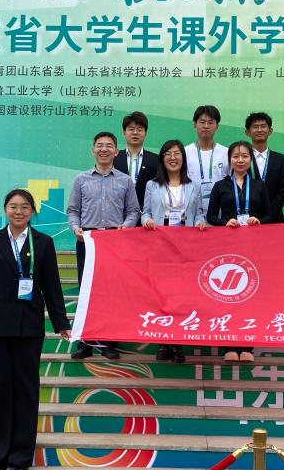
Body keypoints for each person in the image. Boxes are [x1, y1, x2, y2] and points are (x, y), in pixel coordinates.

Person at [0, 189, 71, 470]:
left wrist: (61, 322)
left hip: (28, 325)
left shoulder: (43, 242)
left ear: (32, 211)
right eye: (13, 206)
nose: (18, 211)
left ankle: (20, 458)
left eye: (25, 207)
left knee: (26, 391)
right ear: (5, 210)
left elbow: (52, 285)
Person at [67, 131, 141, 360]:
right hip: (87, 240)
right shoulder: (81, 179)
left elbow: (134, 211)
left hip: (113, 242)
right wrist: (76, 229)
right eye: (99, 145)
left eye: (109, 145)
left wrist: (125, 227)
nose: (104, 149)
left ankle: (109, 342)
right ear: (93, 150)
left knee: (112, 291)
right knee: (87, 291)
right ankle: (85, 343)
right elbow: (73, 211)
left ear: (116, 152)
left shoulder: (125, 180)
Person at [141, 139, 207, 363]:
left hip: (185, 247)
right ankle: (163, 341)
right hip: (160, 245)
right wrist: (147, 220)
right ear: (162, 159)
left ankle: (177, 343)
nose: (173, 157)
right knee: (162, 294)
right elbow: (145, 212)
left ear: (183, 158)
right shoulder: (152, 185)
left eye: (177, 153)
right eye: (168, 153)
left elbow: (199, 213)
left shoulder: (193, 186)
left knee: (182, 295)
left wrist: (200, 222)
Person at [206, 140, 271, 363]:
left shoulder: (259, 186)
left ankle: (247, 346)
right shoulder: (220, 186)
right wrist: (225, 222)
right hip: (227, 246)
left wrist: (258, 220)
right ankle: (229, 346)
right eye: (235, 156)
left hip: (253, 247)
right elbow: (210, 216)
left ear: (250, 160)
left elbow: (270, 215)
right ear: (230, 160)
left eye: (244, 156)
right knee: (227, 295)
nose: (240, 160)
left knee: (249, 295)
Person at [183, 104, 229, 216]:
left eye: (211, 122)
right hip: (191, 210)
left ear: (217, 126)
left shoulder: (226, 153)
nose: (206, 126)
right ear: (195, 125)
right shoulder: (184, 152)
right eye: (202, 122)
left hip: (220, 212)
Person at [244, 111, 284, 223]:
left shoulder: (281, 159)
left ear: (270, 131)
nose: (259, 130)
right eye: (255, 127)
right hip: (247, 219)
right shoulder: (241, 160)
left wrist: (269, 216)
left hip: (275, 219)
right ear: (247, 132)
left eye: (263, 126)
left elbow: (283, 191)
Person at [113, 111, 159, 211]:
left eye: (139, 129)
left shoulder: (156, 160)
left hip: (147, 214)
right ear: (124, 133)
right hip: (118, 213)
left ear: (145, 133)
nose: (135, 132)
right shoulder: (114, 158)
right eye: (131, 129)